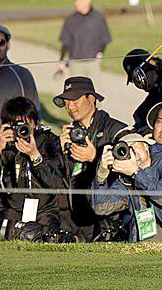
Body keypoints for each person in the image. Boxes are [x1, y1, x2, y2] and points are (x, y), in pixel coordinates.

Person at [0, 97, 65, 241]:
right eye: (16, 126)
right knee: (0, 239)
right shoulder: (0, 144)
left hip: (44, 210)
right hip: (10, 210)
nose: (22, 131)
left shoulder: (49, 142)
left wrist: (35, 156)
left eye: (26, 126)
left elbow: (57, 183)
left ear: (34, 124)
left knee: (49, 239)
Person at [53, 76, 126, 242]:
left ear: (91, 98)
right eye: (66, 102)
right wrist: (60, 151)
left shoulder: (114, 130)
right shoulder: (71, 134)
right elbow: (57, 179)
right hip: (72, 219)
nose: (70, 106)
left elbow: (130, 174)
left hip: (105, 221)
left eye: (75, 100)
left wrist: (95, 157)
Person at [0, 24, 40, 138]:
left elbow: (35, 116)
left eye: (0, 42)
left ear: (8, 45)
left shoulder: (23, 75)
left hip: (13, 147)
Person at [56, 0, 111, 77]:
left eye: (78, 1)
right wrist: (61, 61)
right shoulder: (70, 19)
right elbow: (65, 42)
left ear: (87, 1)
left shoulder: (98, 18)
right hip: (75, 63)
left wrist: (100, 53)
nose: (76, 3)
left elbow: (105, 39)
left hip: (93, 63)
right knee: (76, 90)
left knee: (93, 90)